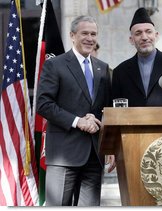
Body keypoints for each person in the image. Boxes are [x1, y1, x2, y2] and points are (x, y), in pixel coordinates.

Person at [36, 15, 115, 206]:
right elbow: (43, 104)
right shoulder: (55, 65)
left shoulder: (102, 68)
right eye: (84, 33)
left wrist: (109, 143)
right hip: (64, 155)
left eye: (93, 34)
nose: (90, 38)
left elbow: (107, 108)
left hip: (94, 155)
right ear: (72, 35)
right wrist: (78, 121)